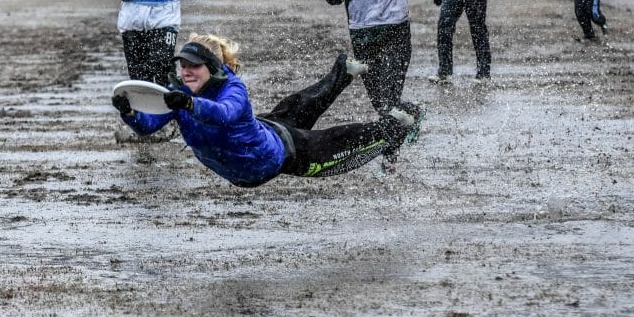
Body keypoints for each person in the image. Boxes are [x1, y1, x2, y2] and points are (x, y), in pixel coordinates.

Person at [111, 34, 418, 187]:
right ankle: (344, 72)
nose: (187, 72)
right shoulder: (178, 94)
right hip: (265, 132)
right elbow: (146, 127)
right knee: (296, 108)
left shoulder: (234, 90)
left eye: (195, 67)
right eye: (184, 67)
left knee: (341, 139)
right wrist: (129, 112)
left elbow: (225, 114)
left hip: (283, 157)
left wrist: (190, 104)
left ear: (214, 68)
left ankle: (396, 126)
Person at [322, 0, 428, 172]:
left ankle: (390, 157)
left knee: (390, 98)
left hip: (396, 31)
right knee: (380, 102)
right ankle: (413, 114)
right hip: (363, 34)